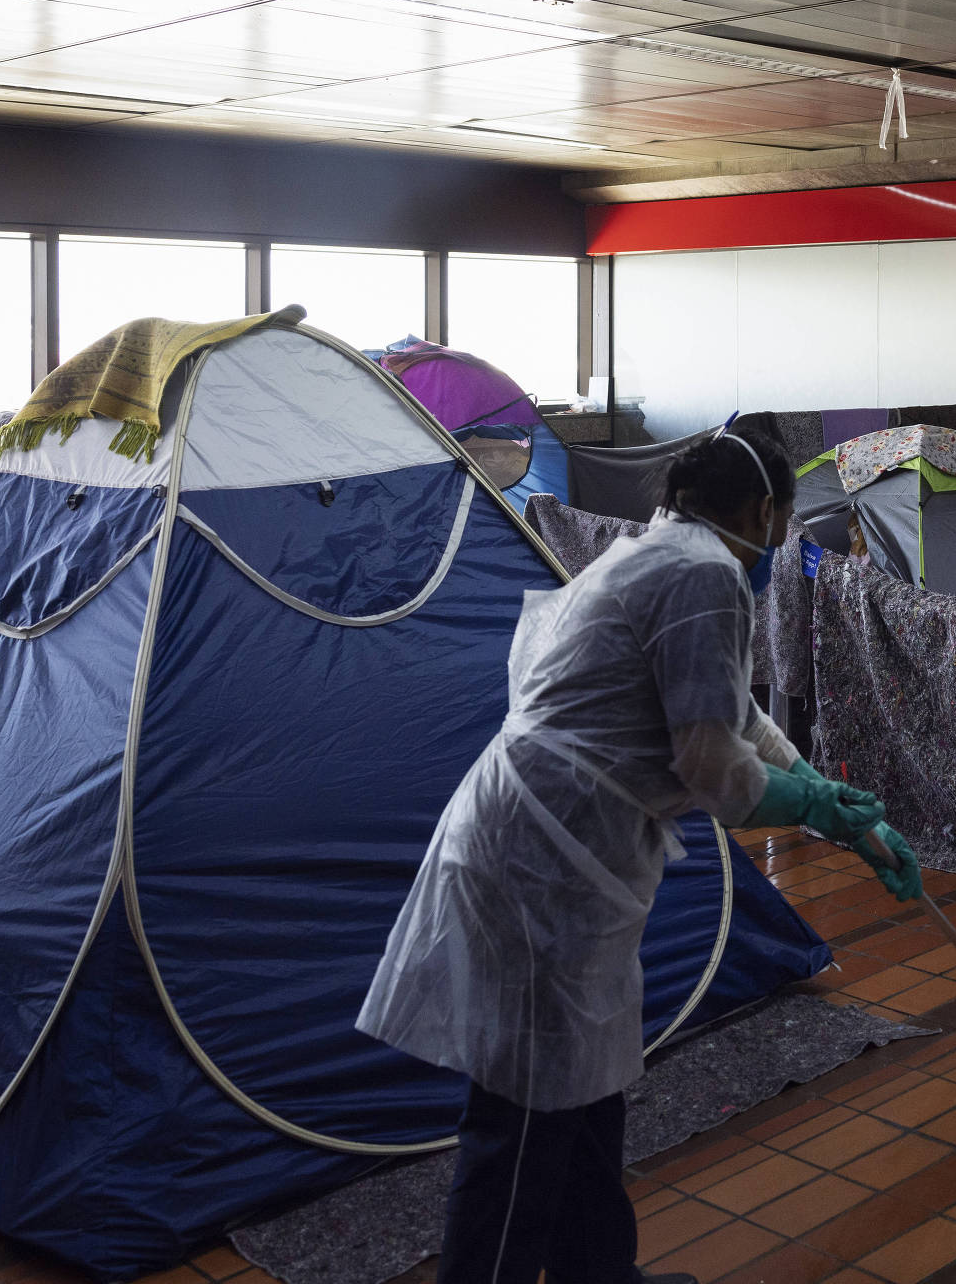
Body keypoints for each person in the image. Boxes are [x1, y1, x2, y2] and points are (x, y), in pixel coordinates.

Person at [356, 424, 922, 1284]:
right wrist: (816, 807)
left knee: (583, 1101)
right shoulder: (704, 574)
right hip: (541, 866)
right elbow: (713, 769)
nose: (779, 546)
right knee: (526, 1122)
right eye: (782, 525)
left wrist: (836, 802)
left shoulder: (658, 554)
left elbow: (735, 718)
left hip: (558, 853)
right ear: (765, 509)